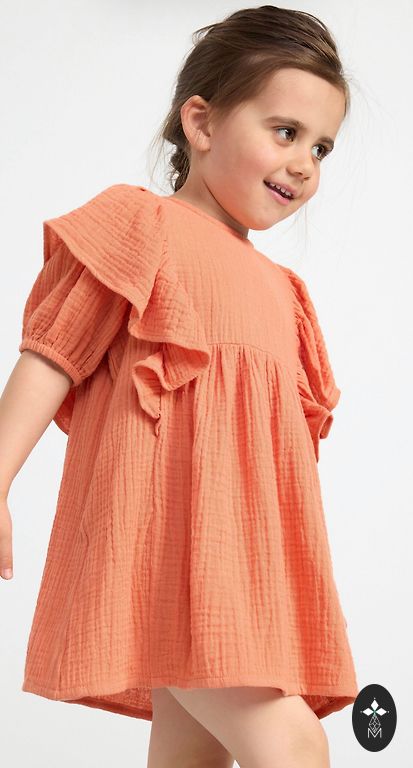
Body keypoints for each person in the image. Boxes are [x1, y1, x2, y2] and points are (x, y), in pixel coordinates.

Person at [0, 5, 359, 767]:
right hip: (163, 554)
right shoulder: (140, 228)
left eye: (320, 147)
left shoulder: (284, 293)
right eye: (284, 132)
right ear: (200, 122)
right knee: (294, 747)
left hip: (239, 573)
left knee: (192, 758)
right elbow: (52, 355)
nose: (304, 163)